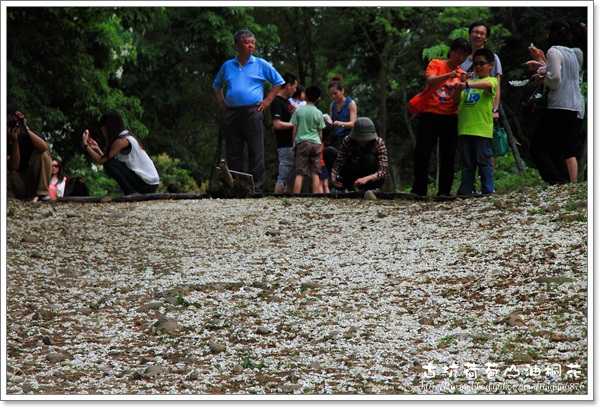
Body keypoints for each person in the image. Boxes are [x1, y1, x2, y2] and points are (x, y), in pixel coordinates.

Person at [212, 29, 285, 193]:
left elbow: (278, 82)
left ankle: (256, 187)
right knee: (233, 151)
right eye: (246, 42)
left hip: (252, 111)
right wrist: (222, 103)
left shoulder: (260, 64)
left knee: (255, 150)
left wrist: (267, 101)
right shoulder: (228, 66)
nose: (250, 46)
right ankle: (235, 186)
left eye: (252, 43)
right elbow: (217, 86)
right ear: (237, 46)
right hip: (232, 112)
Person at [526, 19, 586, 184]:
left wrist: (543, 76)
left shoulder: (553, 51)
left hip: (558, 104)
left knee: (537, 147)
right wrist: (544, 68)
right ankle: (564, 183)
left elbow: (556, 80)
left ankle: (555, 181)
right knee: (556, 149)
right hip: (574, 107)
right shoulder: (576, 53)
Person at [411, 37, 471, 197]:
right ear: (451, 51)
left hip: (450, 117)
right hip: (429, 114)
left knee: (448, 155)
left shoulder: (463, 75)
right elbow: (430, 81)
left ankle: (444, 191)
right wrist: (448, 76)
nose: (460, 57)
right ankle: (419, 189)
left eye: (464, 55)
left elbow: (457, 101)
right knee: (422, 152)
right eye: (458, 53)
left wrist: (459, 89)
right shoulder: (436, 64)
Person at [453, 48, 498, 195]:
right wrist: (459, 87)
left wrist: (467, 84)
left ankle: (488, 190)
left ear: (490, 65)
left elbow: (488, 86)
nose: (478, 66)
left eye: (481, 63)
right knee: (467, 164)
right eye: (476, 64)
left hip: (481, 129)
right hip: (465, 129)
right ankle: (465, 191)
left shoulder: (491, 80)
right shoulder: (469, 83)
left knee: (484, 161)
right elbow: (456, 101)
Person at [82, 109, 160, 195]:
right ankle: (132, 192)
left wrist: (86, 145)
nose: (101, 130)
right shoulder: (125, 136)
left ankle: (131, 193)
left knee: (109, 164)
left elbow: (101, 161)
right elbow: (106, 159)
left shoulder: (121, 141)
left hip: (147, 184)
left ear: (108, 128)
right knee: (110, 163)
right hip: (150, 183)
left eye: (102, 127)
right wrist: (96, 148)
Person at [7, 106, 53, 202]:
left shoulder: (29, 135)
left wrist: (25, 129)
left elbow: (44, 147)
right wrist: (14, 143)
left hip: (32, 180)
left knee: (43, 154)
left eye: (14, 122)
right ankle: (10, 200)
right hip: (16, 183)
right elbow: (14, 166)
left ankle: (42, 193)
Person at [330, 117, 388, 192]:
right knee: (329, 152)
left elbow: (383, 171)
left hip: (371, 178)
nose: (362, 141)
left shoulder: (379, 143)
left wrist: (368, 178)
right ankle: (341, 187)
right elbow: (339, 162)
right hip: (352, 174)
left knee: (368, 158)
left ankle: (370, 188)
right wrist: (333, 175)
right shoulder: (348, 141)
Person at [460, 21, 503, 122]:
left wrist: (495, 109)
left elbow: (497, 85)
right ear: (470, 34)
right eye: (475, 32)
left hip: (484, 106)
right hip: (464, 106)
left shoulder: (493, 58)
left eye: (482, 33)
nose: (478, 36)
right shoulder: (461, 58)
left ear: (486, 38)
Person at [290, 85, 326, 194]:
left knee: (300, 173)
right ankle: (315, 197)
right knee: (315, 173)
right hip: (316, 143)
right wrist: (319, 143)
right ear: (318, 98)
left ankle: (296, 197)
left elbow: (294, 131)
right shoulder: (319, 113)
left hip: (302, 143)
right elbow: (320, 133)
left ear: (305, 95)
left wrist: (294, 146)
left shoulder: (299, 111)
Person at [323, 76, 357, 174]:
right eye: (331, 95)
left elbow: (353, 123)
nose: (333, 96)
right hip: (337, 138)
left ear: (342, 91)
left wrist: (341, 124)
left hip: (349, 137)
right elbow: (331, 121)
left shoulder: (351, 104)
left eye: (335, 93)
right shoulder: (332, 105)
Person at [271, 72, 298, 193]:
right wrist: (294, 125)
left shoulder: (288, 102)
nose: (295, 90)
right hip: (285, 144)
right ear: (288, 85)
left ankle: (287, 203)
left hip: (292, 144)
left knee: (291, 178)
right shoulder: (277, 101)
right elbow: (277, 124)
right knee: (284, 176)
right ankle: (276, 201)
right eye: (294, 86)